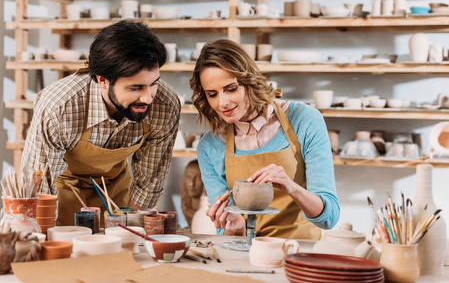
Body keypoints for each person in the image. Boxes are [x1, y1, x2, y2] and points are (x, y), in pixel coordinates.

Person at [21, 20, 181, 226]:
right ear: (103, 80)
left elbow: (149, 181)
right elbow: (39, 187)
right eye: (135, 88)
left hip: (115, 189)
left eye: (154, 84)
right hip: (61, 191)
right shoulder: (59, 107)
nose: (148, 98)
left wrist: (130, 229)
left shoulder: (164, 105)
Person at [190, 39, 340, 239]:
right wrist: (233, 226)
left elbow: (329, 218)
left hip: (300, 254)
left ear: (249, 81)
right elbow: (227, 232)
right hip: (246, 254)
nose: (222, 103)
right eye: (212, 94)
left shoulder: (305, 119)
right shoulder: (210, 146)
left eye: (231, 89)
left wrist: (290, 186)